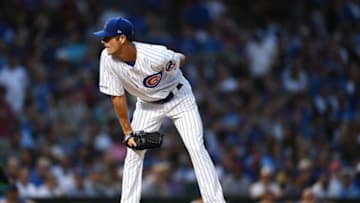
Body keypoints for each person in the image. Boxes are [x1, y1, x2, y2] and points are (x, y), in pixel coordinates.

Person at [93, 17, 226, 203]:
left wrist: (175, 59)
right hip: (148, 105)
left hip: (179, 98)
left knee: (196, 147)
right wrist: (127, 133)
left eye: (107, 38)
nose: (103, 42)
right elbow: (117, 96)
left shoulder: (155, 56)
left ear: (122, 38)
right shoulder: (107, 59)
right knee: (134, 152)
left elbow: (180, 59)